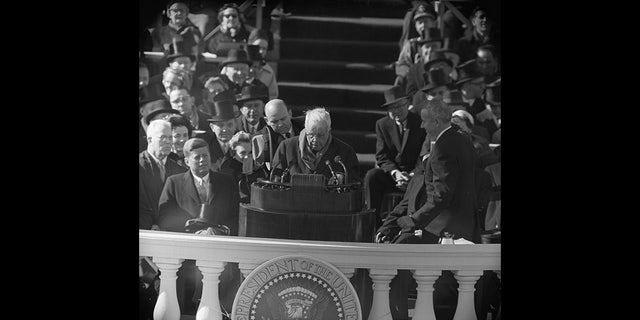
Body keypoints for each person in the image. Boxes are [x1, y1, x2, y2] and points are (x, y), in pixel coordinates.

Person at [377, 99, 479, 320]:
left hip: (442, 229)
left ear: (435, 121)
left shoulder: (443, 147)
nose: (421, 126)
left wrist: (413, 220)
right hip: (462, 224)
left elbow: (441, 196)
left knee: (394, 257)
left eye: (424, 121)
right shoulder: (462, 140)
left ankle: (397, 315)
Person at [157, 137, 240, 315]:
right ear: (187, 161)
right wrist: (192, 230)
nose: (203, 160)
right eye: (197, 157)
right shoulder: (174, 182)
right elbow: (164, 217)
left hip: (219, 252)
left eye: (206, 155)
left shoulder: (227, 182)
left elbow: (237, 216)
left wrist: (218, 230)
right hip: (185, 256)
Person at [364, 85, 426, 228]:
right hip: (395, 175)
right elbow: (382, 156)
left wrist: (412, 174)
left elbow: (424, 153)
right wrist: (396, 173)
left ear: (407, 104)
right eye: (392, 108)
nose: (396, 111)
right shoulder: (382, 124)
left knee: (423, 178)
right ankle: (373, 221)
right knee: (372, 176)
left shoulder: (419, 122)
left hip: (415, 174)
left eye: (399, 106)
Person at [271, 107, 360, 184]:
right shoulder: (287, 147)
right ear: (305, 129)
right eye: (310, 135)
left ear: (329, 131)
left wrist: (343, 178)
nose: (315, 140)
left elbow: (355, 183)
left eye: (320, 135)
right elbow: (274, 179)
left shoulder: (345, 152)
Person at [139, 119, 188, 230]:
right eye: (162, 137)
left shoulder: (180, 170)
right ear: (149, 139)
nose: (168, 141)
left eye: (170, 137)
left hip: (170, 232)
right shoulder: (140, 165)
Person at [253, 99, 305, 171]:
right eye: (275, 122)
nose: (280, 124)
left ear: (290, 113)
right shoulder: (262, 137)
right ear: (266, 121)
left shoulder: (305, 126)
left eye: (283, 119)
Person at [456, 59, 499, 138]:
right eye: (479, 83)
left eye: (484, 82)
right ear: (466, 86)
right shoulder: (452, 102)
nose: (483, 86)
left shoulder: (485, 106)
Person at [401, 28, 443, 98]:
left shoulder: (446, 67)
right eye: (427, 47)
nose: (430, 50)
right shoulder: (414, 70)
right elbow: (410, 94)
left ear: (441, 48)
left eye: (434, 46)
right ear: (421, 50)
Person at [247, 29, 279, 99]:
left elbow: (273, 96)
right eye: (258, 47)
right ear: (249, 45)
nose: (261, 51)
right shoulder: (234, 65)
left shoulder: (269, 72)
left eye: (264, 48)